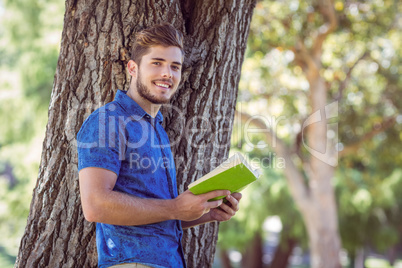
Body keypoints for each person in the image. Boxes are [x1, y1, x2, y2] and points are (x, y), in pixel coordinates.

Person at [77, 23, 242, 268]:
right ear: (133, 68)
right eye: (157, 62)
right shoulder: (109, 121)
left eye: (175, 66)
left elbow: (156, 212)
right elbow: (95, 205)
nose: (168, 73)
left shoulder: (157, 129)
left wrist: (203, 212)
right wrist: (175, 208)